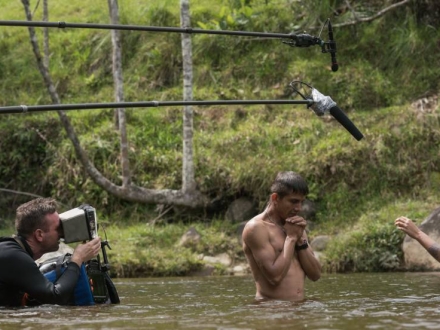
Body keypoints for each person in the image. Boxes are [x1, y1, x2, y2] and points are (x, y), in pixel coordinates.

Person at [0, 197, 101, 307]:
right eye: (58, 228)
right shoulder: (13, 256)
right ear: (39, 235)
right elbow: (55, 296)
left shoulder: (10, 250)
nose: (62, 233)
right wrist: (77, 259)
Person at [242, 171, 321, 301]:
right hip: (271, 311)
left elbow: (316, 275)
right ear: (275, 198)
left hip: (299, 309)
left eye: (301, 202)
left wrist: (300, 241)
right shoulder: (256, 228)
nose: (299, 208)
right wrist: (291, 239)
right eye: (294, 201)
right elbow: (274, 278)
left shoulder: (294, 227)